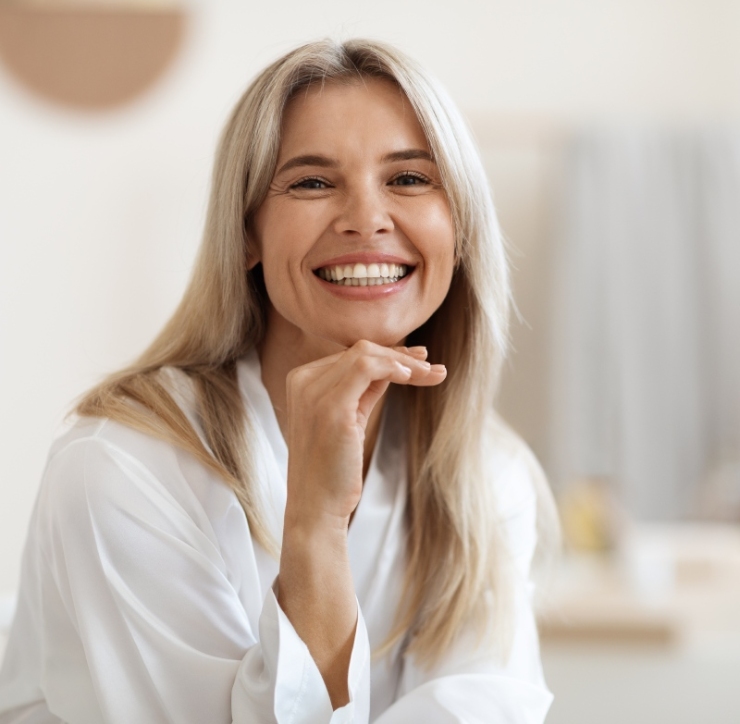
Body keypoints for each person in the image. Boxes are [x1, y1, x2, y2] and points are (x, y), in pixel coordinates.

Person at [0, 39, 558, 723]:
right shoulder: (123, 468)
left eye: (409, 178)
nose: (366, 218)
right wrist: (316, 526)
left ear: (461, 224)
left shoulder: (484, 475)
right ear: (247, 235)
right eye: (312, 182)